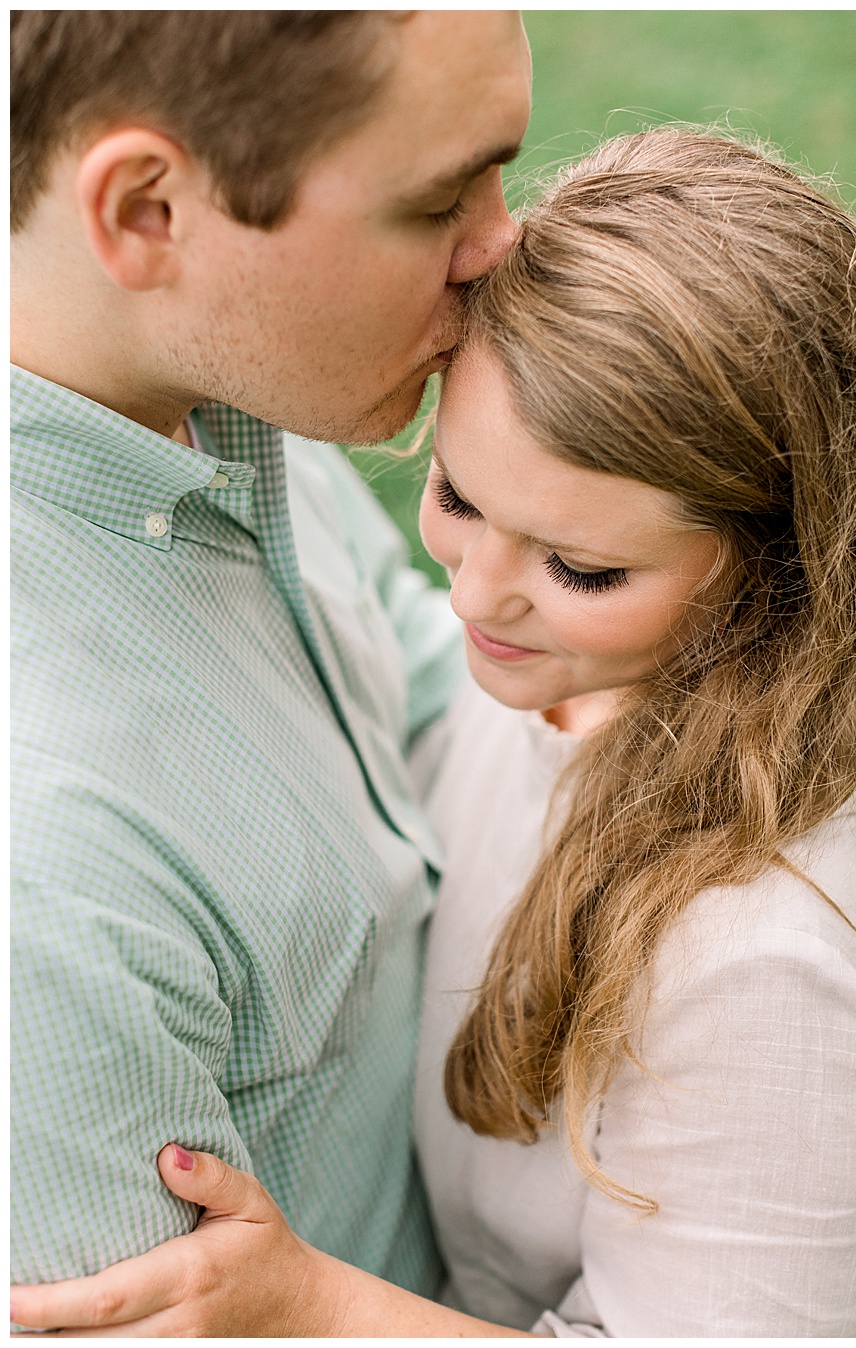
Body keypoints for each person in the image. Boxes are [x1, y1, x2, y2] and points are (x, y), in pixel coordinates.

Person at [10, 130, 856, 1336]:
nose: (475, 595)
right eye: (457, 495)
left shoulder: (769, 959)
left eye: (581, 565)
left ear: (777, 565)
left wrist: (311, 1306)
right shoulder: (571, 681)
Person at [9, 9, 530, 1295]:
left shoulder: (228, 392)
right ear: (147, 213)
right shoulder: (47, 880)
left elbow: (426, 680)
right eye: (434, 203)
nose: (503, 241)